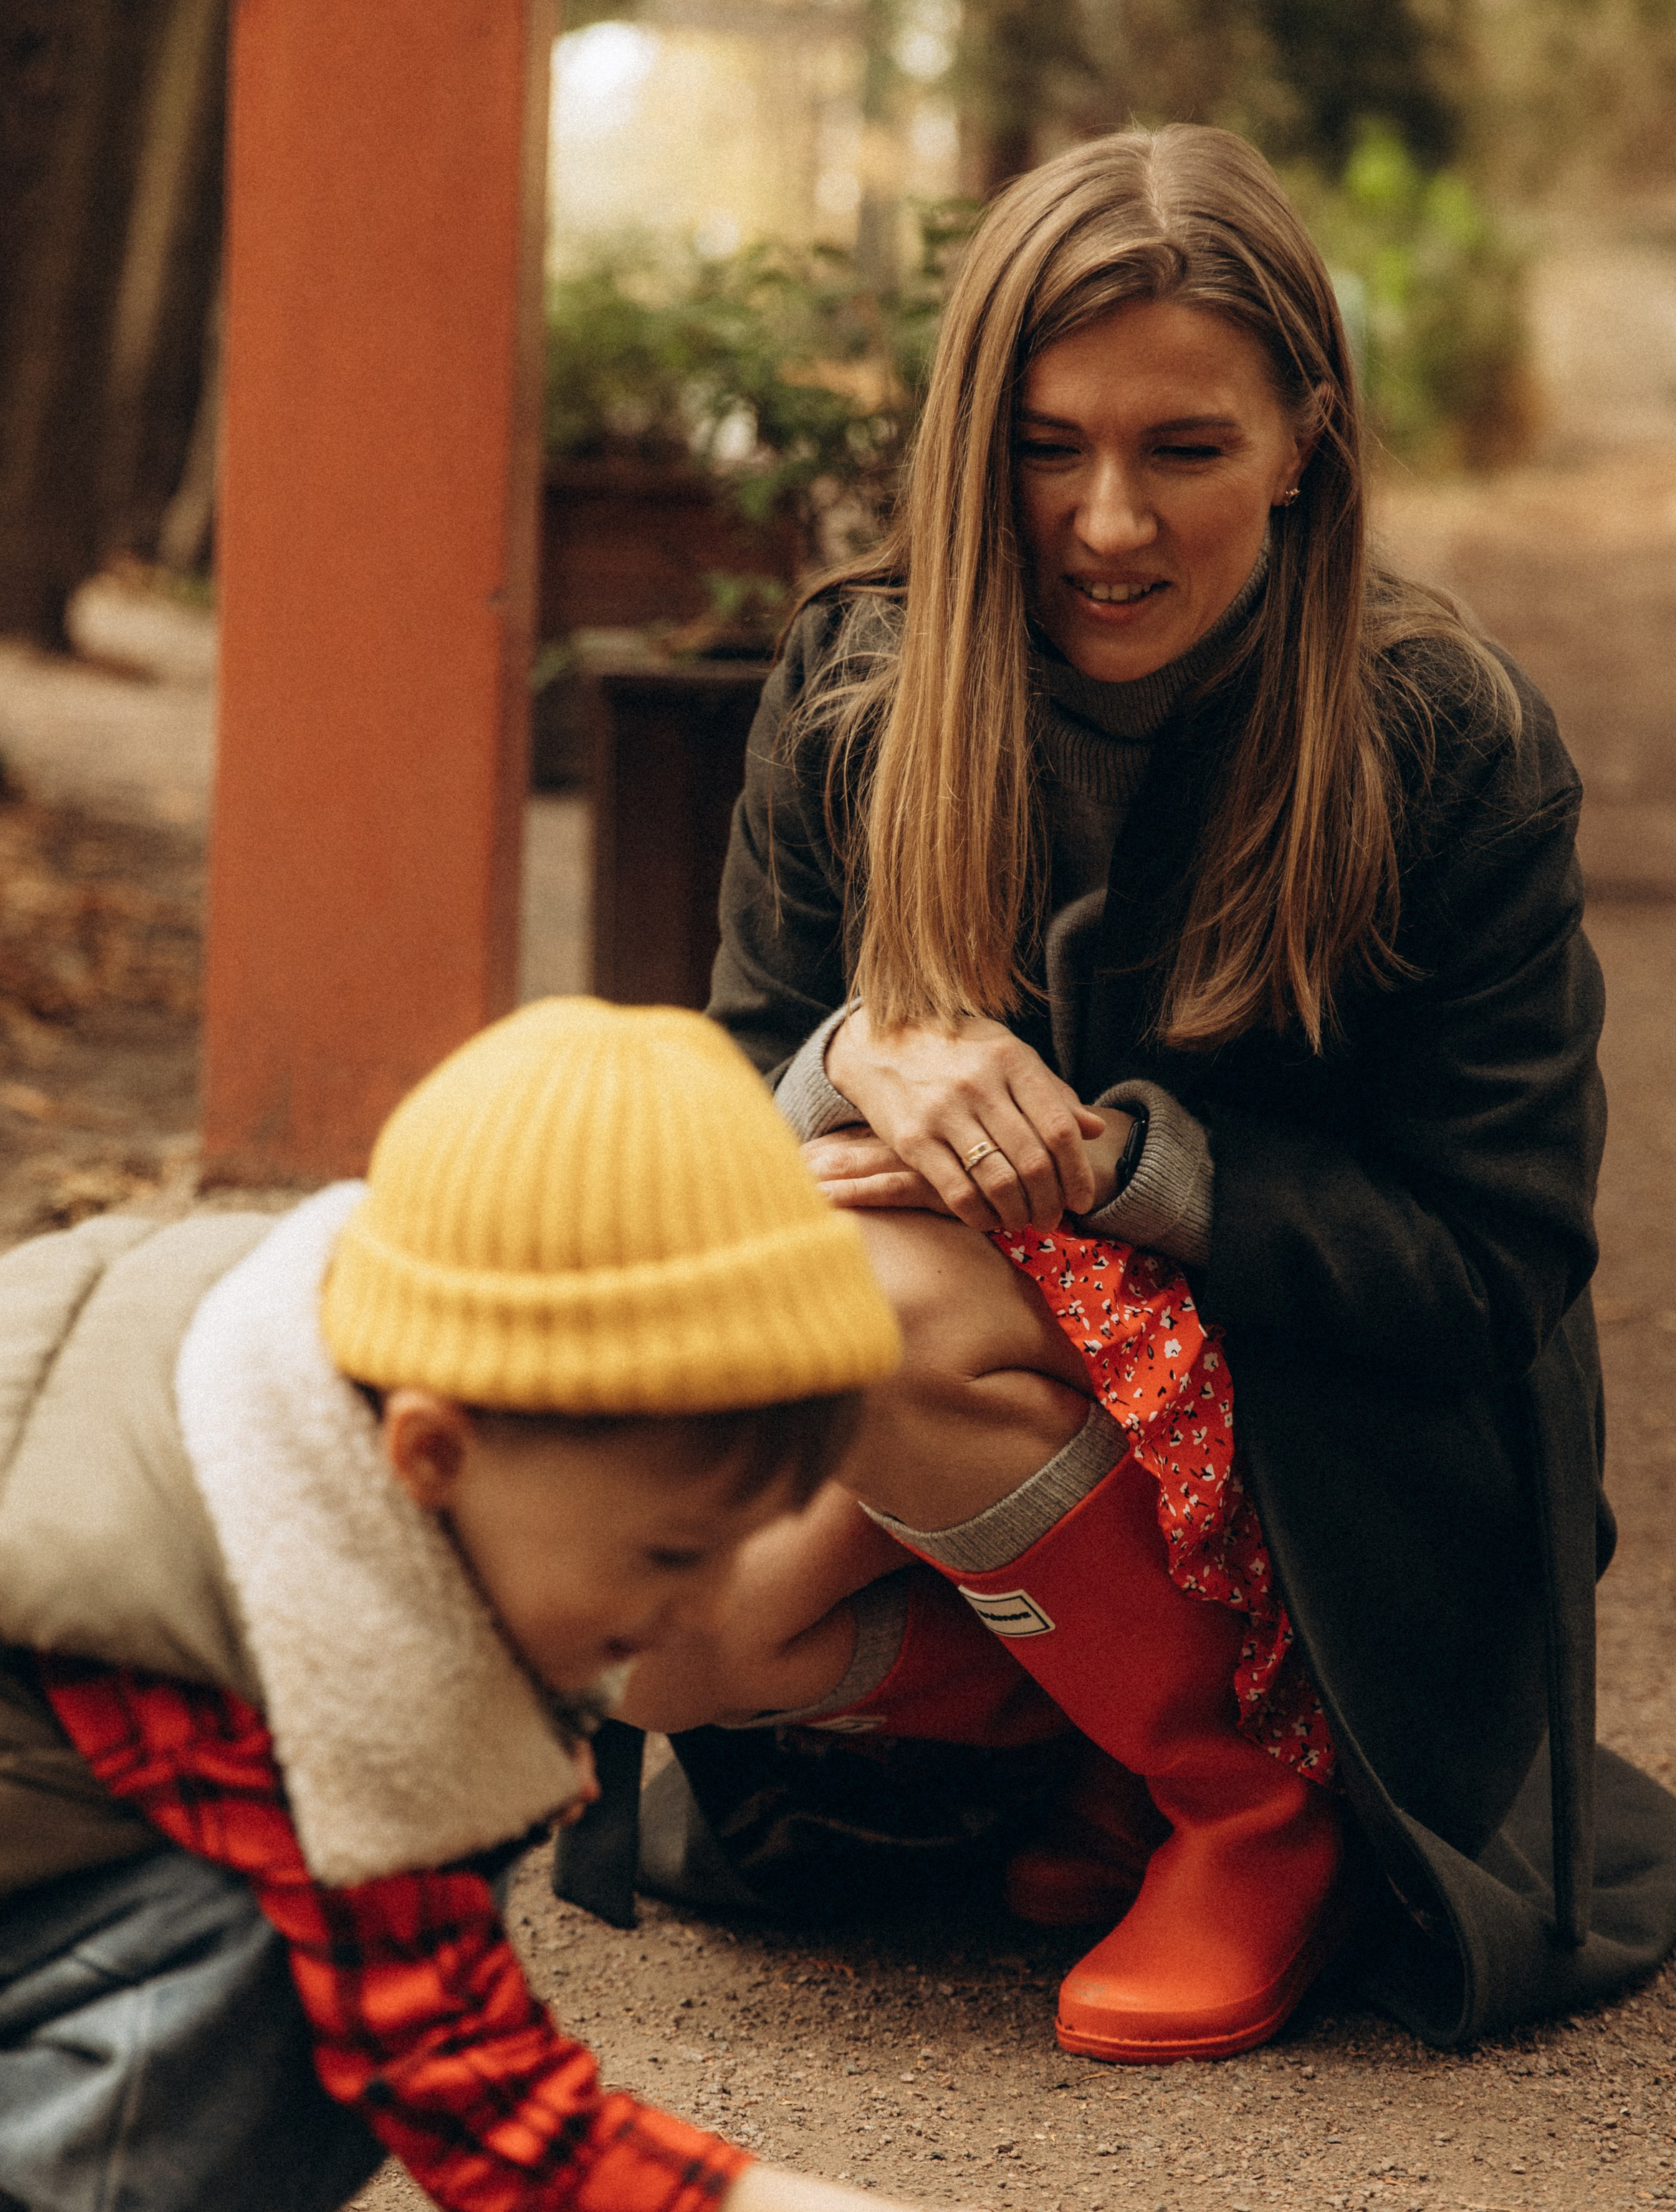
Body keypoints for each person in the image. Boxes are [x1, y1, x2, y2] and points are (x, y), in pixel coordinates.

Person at [0, 999, 1245, 2212]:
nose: (699, 1611)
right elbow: (488, 2098)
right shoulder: (245, 1654)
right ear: (435, 1448)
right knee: (265, 1920)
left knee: (400, 1840)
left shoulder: (331, 1377)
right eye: (667, 1554)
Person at [612, 123, 1676, 2062]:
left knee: (880, 1302)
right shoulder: (854, 687)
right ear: (973, 443)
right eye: (1048, 447)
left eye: (1184, 449)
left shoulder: (1445, 740)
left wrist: (1117, 1171)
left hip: (1338, 1461)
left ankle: (1255, 1798)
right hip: (999, 1423)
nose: (1106, 523)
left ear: (1304, 447)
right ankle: (1092, 1730)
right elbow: (722, 1115)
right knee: (660, 1634)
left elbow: (1491, 1267)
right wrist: (849, 1056)